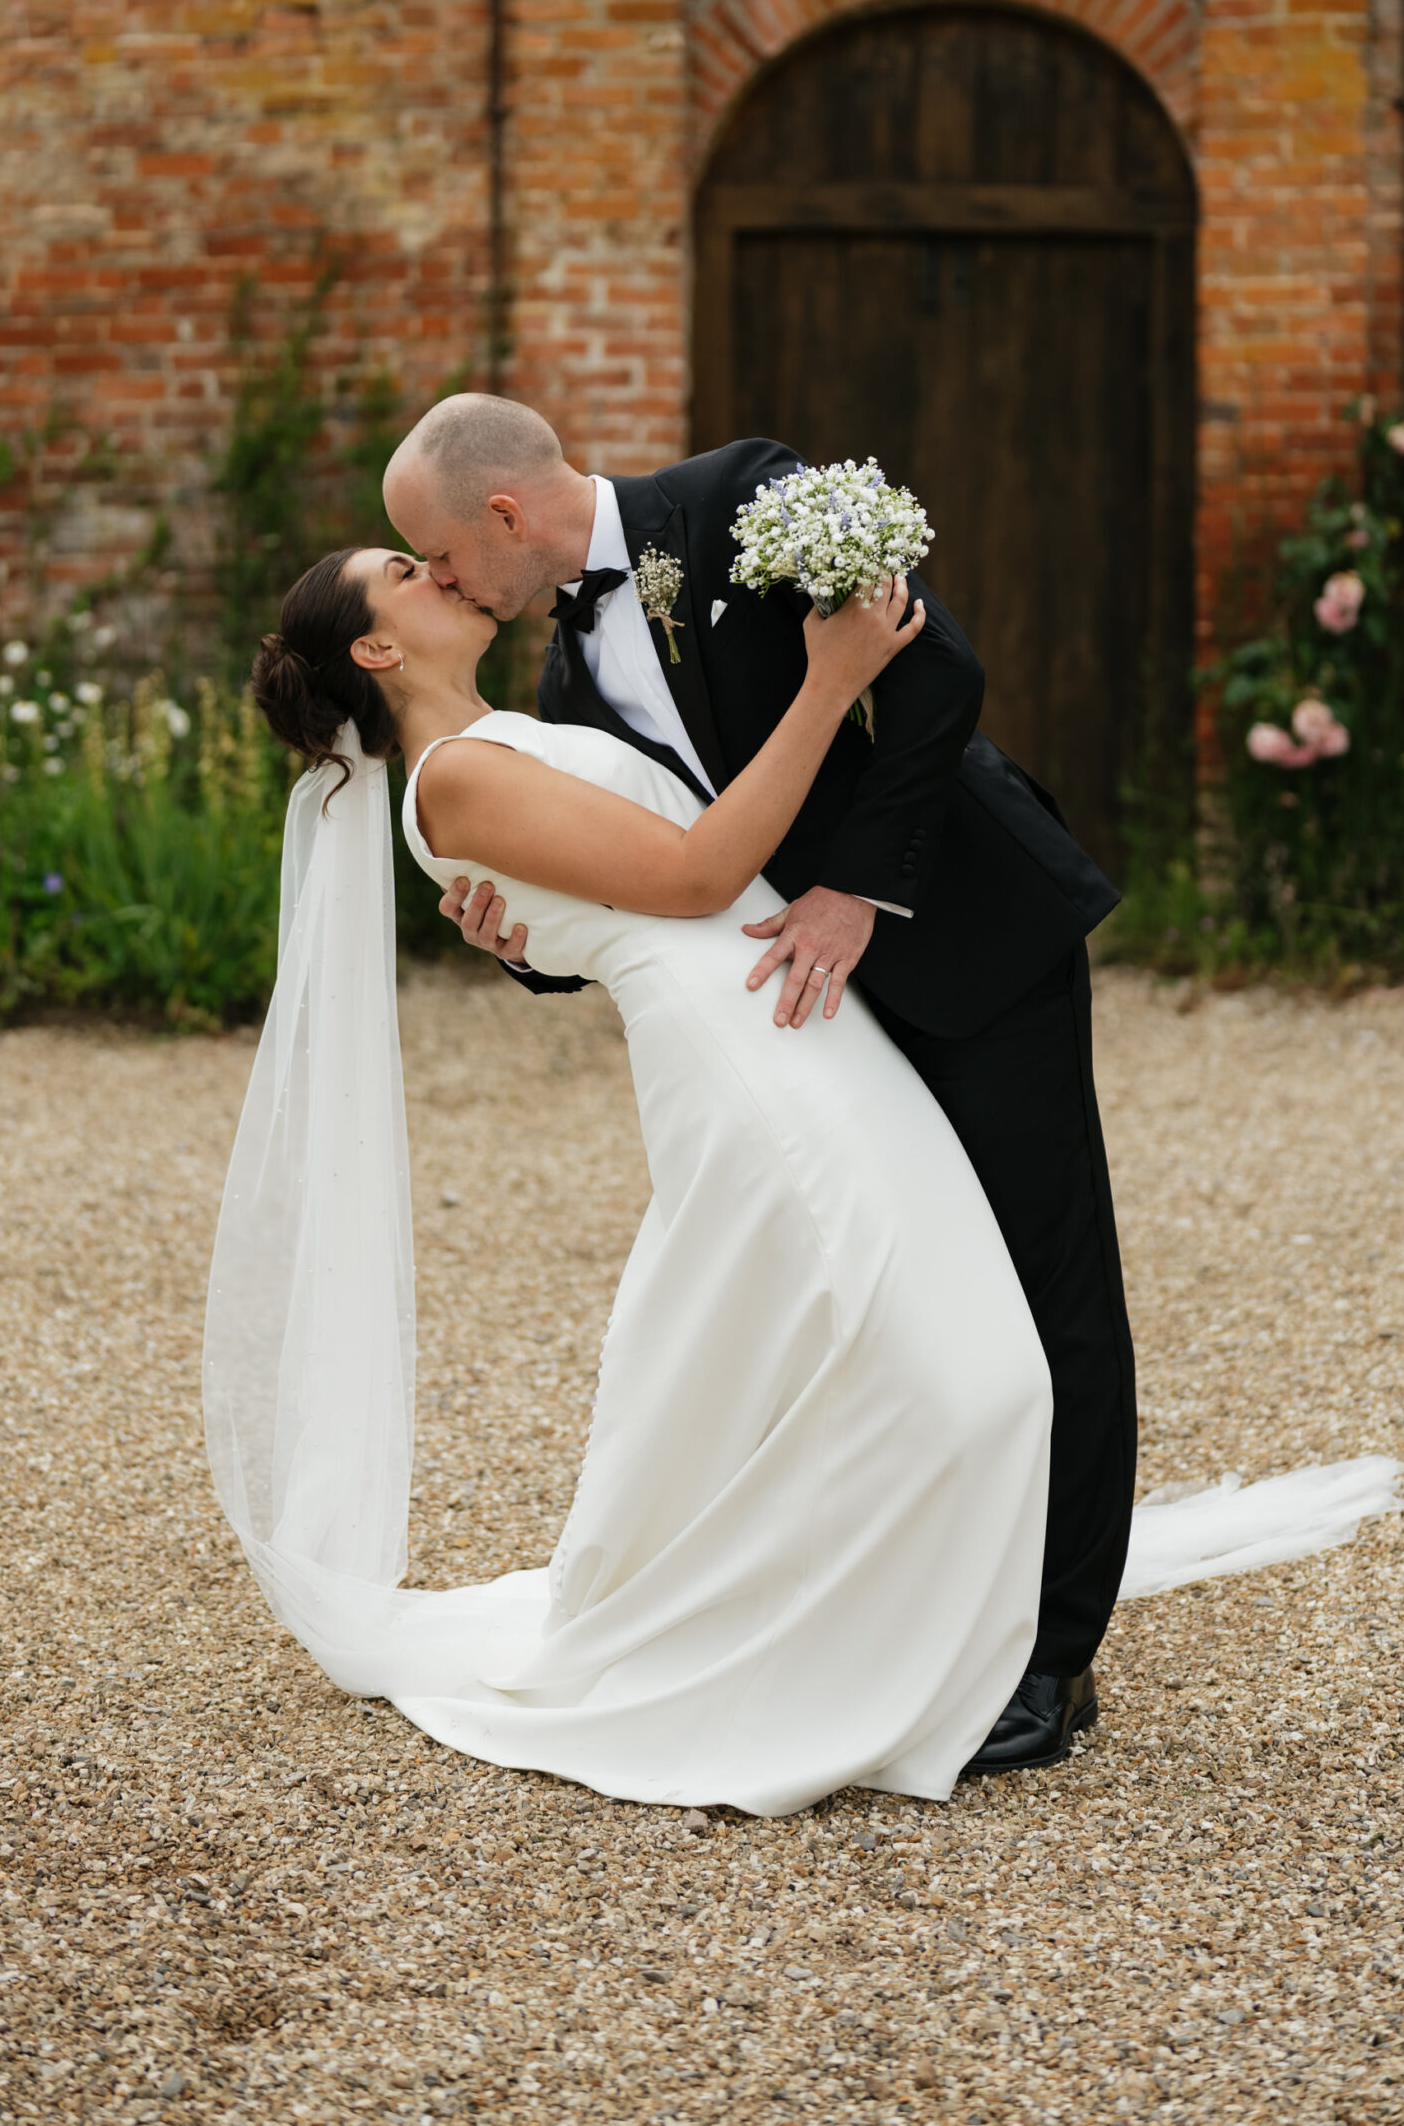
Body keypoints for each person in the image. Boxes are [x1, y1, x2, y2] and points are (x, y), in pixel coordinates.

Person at [221, 544, 1057, 1814]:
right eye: (403, 569)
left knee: (928, 1348)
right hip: (744, 1060)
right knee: (947, 1358)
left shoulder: (514, 734)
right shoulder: (451, 786)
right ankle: (828, 1652)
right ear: (377, 649)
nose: (438, 568)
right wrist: (829, 685)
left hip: (798, 1018)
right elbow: (692, 875)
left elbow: (617, 878)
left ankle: (861, 1617)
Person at [381, 395, 1132, 1773]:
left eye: (434, 556)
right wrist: (525, 951)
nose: (440, 585)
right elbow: (647, 878)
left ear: (502, 516)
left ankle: (1054, 1660)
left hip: (959, 937)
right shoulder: (564, 687)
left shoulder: (743, 499)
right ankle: (924, 1601)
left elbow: (937, 673)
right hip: (806, 1013)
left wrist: (859, 887)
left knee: (1049, 1283)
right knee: (916, 1298)